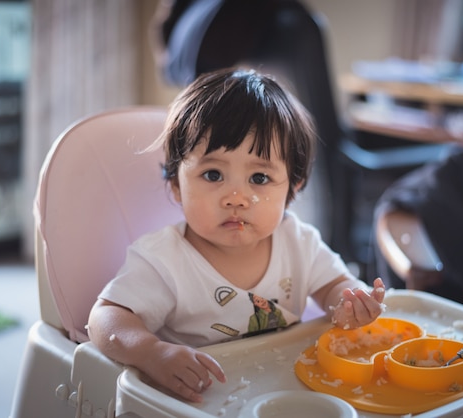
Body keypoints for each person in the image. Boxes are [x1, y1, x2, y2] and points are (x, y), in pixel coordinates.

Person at [87, 68, 386, 403]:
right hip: (199, 400)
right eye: (213, 174)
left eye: (259, 178)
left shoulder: (297, 242)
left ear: (293, 186)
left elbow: (335, 286)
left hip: (282, 391)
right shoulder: (164, 259)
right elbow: (105, 319)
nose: (236, 197)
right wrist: (152, 353)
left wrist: (352, 303)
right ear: (176, 185)